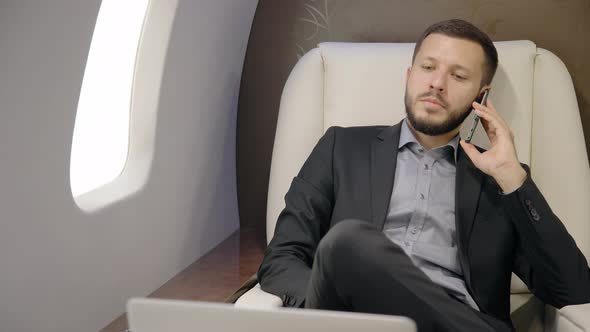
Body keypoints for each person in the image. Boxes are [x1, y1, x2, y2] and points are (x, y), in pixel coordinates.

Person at [257, 19, 590, 331]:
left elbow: (572, 289)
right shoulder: (341, 148)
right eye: (427, 67)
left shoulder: (498, 179)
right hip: (355, 321)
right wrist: (330, 311)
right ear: (409, 75)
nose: (437, 84)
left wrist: (512, 177)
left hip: (456, 319)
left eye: (458, 76)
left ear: (481, 96)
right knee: (346, 245)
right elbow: (282, 259)